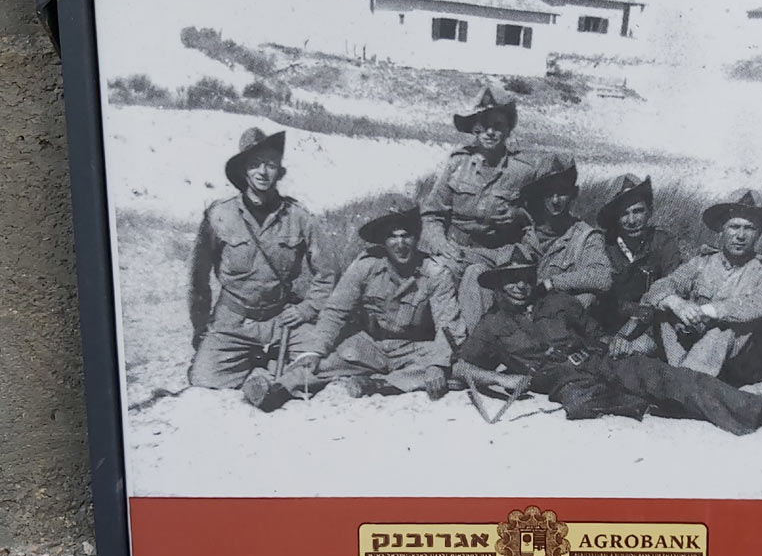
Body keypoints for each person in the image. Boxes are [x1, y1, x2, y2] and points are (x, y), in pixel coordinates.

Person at [453, 249, 762, 437]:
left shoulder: (557, 301)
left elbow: (593, 331)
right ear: (498, 285)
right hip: (562, 380)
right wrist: (502, 379)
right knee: (581, 402)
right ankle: (658, 404)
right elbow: (462, 365)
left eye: (524, 278)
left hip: (600, 359)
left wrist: (618, 342)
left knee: (667, 377)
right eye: (510, 280)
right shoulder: (491, 325)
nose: (519, 286)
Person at [241, 200, 466, 409]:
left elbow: (448, 324)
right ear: (383, 241)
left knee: (450, 368)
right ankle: (276, 390)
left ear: (416, 238)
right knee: (319, 364)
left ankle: (379, 385)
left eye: (406, 235)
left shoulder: (435, 273)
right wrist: (315, 350)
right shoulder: (366, 266)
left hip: (413, 349)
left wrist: (437, 364)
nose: (400, 244)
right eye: (392, 237)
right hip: (370, 346)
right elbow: (336, 311)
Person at [188, 127, 335, 391]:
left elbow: (327, 273)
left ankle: (266, 371)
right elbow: (198, 279)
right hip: (233, 322)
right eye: (255, 164)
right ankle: (264, 367)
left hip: (282, 321)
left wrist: (306, 310)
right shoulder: (220, 215)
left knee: (325, 364)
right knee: (203, 379)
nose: (263, 172)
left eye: (270, 164)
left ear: (279, 171)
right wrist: (200, 329)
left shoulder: (299, 216)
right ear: (244, 170)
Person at [419, 86, 540, 329]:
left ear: (508, 130)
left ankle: (468, 346)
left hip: (497, 254)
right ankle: (449, 339)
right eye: (483, 124)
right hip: (457, 248)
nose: (490, 132)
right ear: (475, 128)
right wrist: (442, 245)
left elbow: (538, 219)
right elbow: (432, 214)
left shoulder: (523, 171)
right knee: (436, 271)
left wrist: (518, 215)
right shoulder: (457, 163)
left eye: (497, 125)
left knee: (477, 278)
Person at [642, 193, 762, 386]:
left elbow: (758, 304)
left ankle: (682, 385)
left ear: (758, 233)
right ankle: (682, 377)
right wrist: (678, 304)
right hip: (698, 349)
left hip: (740, 361)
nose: (740, 236)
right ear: (721, 230)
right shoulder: (702, 263)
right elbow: (662, 286)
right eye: (734, 227)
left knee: (724, 329)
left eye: (749, 228)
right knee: (664, 311)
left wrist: (707, 311)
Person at [592, 173, 681, 349]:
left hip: (650, 330)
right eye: (624, 214)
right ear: (615, 218)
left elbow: (675, 289)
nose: (632, 221)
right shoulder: (604, 245)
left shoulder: (663, 243)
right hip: (607, 330)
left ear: (650, 211)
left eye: (638, 211)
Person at [520, 153, 612, 307]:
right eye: (549, 193)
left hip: (558, 320)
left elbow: (602, 277)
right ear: (540, 196)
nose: (555, 201)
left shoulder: (585, 237)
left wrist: (551, 283)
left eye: (562, 192)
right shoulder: (525, 234)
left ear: (573, 194)